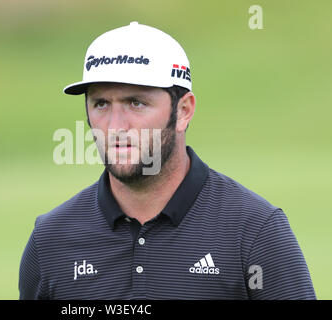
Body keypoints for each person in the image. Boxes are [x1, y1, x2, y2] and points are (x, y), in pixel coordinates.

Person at [19, 22, 316, 299]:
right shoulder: (50, 240)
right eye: (101, 104)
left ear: (184, 110)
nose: (115, 125)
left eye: (136, 103)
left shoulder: (254, 231)